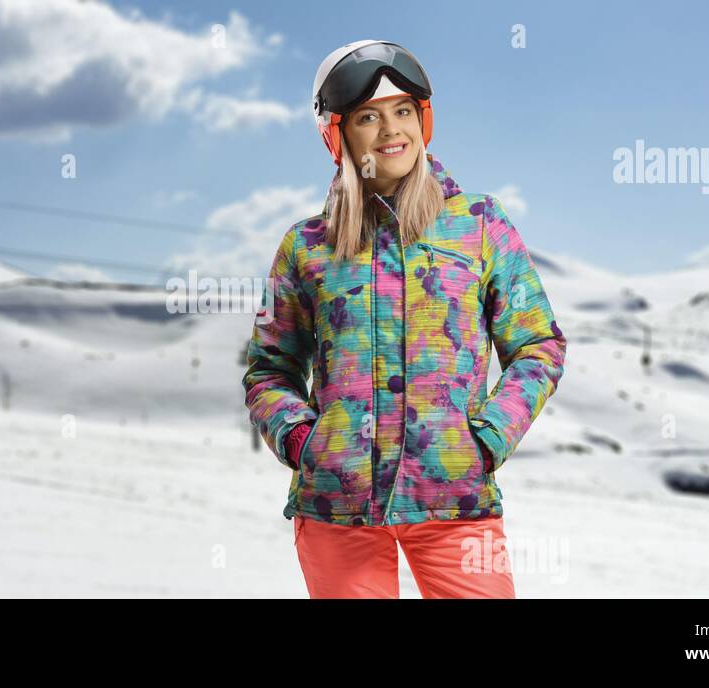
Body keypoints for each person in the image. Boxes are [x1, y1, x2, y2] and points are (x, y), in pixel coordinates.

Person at [242, 40, 567, 598]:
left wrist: (487, 439)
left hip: (454, 498)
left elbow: (538, 345)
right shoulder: (307, 246)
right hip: (337, 506)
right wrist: (301, 440)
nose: (391, 130)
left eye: (403, 111)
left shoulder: (478, 224)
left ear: (424, 120)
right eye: (368, 116)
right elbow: (269, 369)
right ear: (338, 134)